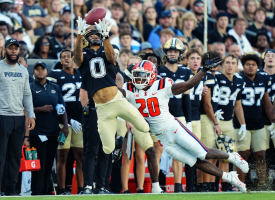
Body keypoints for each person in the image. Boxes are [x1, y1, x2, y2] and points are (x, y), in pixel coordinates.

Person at [118, 59, 249, 193]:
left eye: (143, 75)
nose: (139, 78)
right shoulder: (128, 89)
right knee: (194, 161)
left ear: (152, 76)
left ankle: (233, 157)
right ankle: (230, 178)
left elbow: (187, 85)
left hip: (174, 129)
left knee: (203, 153)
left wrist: (203, 70)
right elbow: (113, 92)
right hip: (163, 140)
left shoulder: (162, 85)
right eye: (137, 75)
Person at [73, 17, 163, 193]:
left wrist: (106, 37)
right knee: (97, 148)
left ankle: (102, 186)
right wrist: (78, 35)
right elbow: (76, 59)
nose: (95, 37)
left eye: (97, 34)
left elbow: (111, 56)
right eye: (91, 34)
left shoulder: (107, 52)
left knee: (138, 127)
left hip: (117, 102)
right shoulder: (83, 53)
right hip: (97, 108)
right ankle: (89, 186)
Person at [0, 39, 35, 196]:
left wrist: (31, 115)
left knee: (15, 156)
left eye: (16, 48)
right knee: (1, 157)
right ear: (5, 50)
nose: (13, 51)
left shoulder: (23, 70)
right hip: (2, 115)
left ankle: (11, 190)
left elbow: (27, 94)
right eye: (10, 48)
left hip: (19, 118)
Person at [47, 50, 84, 195]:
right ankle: (62, 189)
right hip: (64, 122)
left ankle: (81, 189)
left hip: (80, 122)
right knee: (62, 155)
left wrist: (81, 119)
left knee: (80, 156)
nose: (66, 59)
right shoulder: (56, 75)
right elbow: (56, 99)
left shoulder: (81, 74)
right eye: (63, 57)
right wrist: (67, 119)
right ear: (60, 61)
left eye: (69, 56)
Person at [158, 38, 192, 193]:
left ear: (180, 53)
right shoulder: (158, 70)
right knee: (159, 152)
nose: (172, 53)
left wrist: (189, 120)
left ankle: (178, 186)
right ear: (165, 53)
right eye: (170, 51)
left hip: (179, 115)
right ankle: (159, 185)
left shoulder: (185, 71)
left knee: (178, 151)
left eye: (175, 51)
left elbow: (186, 98)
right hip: (161, 115)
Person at [233, 54, 272, 189]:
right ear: (243, 66)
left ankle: (262, 184)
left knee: (261, 155)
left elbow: (266, 103)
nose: (250, 66)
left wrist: (272, 119)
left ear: (257, 66)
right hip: (241, 124)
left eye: (253, 64)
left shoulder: (264, 78)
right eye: (248, 64)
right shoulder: (238, 78)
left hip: (258, 123)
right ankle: (240, 185)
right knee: (242, 155)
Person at [30, 61, 68, 195]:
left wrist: (65, 126)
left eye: (42, 69)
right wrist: (40, 109)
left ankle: (46, 190)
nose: (40, 71)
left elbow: (61, 107)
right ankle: (36, 191)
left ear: (47, 71)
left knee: (49, 162)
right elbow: (25, 109)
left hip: (53, 130)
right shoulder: (30, 87)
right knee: (40, 163)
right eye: (37, 69)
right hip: (37, 131)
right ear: (33, 72)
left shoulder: (55, 87)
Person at [215, 54, 246, 191]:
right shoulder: (216, 77)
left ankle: (226, 184)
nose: (230, 65)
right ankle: (209, 184)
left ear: (236, 65)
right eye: (227, 62)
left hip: (228, 122)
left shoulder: (239, 81)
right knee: (211, 154)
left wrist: (243, 123)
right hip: (215, 121)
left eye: (233, 62)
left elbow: (237, 105)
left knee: (227, 155)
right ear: (223, 64)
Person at [262, 49, 275, 149]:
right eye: (268, 56)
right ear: (264, 58)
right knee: (261, 152)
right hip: (260, 119)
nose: (270, 58)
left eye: (273, 56)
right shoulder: (257, 75)